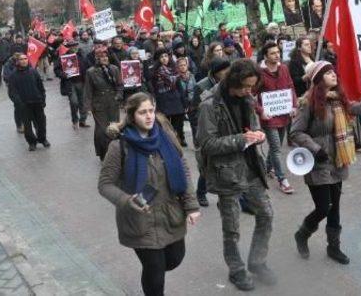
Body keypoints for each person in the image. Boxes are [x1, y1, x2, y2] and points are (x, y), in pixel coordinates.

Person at [98, 93, 200, 296]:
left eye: (151, 111)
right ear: (131, 115)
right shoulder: (119, 146)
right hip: (139, 219)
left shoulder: (166, 137)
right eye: (142, 112)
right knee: (154, 271)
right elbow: (105, 185)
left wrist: (192, 205)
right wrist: (127, 200)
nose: (149, 116)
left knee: (174, 259)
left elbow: (183, 170)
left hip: (170, 214)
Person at [289, 61, 361, 264]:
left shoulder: (338, 100)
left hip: (338, 161)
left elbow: (359, 109)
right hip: (318, 162)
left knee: (335, 208)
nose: (334, 75)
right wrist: (316, 149)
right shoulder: (308, 103)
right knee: (323, 207)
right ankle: (302, 234)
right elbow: (295, 132)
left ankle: (334, 248)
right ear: (318, 78)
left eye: (334, 71)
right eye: (328, 72)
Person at [196, 59, 276, 291]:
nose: (248, 92)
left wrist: (258, 134)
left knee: (266, 214)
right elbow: (206, 144)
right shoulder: (209, 105)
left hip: (251, 167)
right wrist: (241, 140)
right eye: (244, 87)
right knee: (231, 228)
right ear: (232, 81)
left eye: (252, 87)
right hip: (226, 175)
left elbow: (254, 126)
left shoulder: (248, 99)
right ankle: (236, 269)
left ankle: (257, 261)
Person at [256, 42, 297, 194]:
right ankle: (282, 180)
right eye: (273, 53)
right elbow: (251, 95)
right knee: (276, 148)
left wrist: (294, 105)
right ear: (266, 56)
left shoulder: (284, 68)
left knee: (277, 145)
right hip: (269, 117)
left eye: (278, 52)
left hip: (284, 114)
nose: (277, 55)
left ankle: (268, 167)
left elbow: (290, 87)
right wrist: (260, 111)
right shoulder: (259, 72)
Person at [192, 58, 231, 207]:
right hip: (206, 131)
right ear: (216, 73)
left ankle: (225, 198)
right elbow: (194, 110)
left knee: (226, 165)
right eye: (224, 72)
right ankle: (201, 192)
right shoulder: (201, 86)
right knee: (207, 165)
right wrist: (199, 135)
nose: (228, 74)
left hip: (225, 130)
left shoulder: (229, 84)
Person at [84, 47, 123, 160]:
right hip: (99, 104)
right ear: (97, 59)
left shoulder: (114, 69)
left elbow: (120, 85)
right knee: (101, 131)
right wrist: (88, 107)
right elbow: (88, 90)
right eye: (102, 57)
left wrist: (118, 96)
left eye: (106, 56)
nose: (105, 58)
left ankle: (114, 153)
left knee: (114, 128)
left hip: (113, 102)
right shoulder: (91, 72)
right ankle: (103, 153)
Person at [7, 54, 49, 151]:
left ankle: (42, 139)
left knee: (41, 123)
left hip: (37, 102)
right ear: (17, 61)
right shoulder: (13, 75)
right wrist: (19, 103)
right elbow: (12, 92)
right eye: (21, 59)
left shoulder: (33, 71)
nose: (24, 61)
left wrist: (43, 99)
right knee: (27, 126)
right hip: (24, 105)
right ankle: (32, 142)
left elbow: (40, 87)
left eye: (25, 59)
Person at [149, 49, 186, 145]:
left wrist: (184, 100)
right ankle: (168, 142)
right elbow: (153, 88)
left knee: (178, 123)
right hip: (163, 100)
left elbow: (179, 87)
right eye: (161, 57)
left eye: (166, 56)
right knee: (165, 125)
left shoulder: (174, 69)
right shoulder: (155, 72)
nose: (164, 58)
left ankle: (179, 138)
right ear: (158, 59)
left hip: (175, 99)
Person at [54, 40, 90, 129]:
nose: (74, 48)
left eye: (75, 46)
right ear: (68, 47)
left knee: (83, 102)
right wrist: (63, 75)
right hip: (70, 83)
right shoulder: (63, 57)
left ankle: (83, 120)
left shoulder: (82, 55)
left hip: (81, 82)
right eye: (72, 46)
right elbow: (56, 69)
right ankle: (75, 120)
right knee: (74, 102)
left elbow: (88, 66)